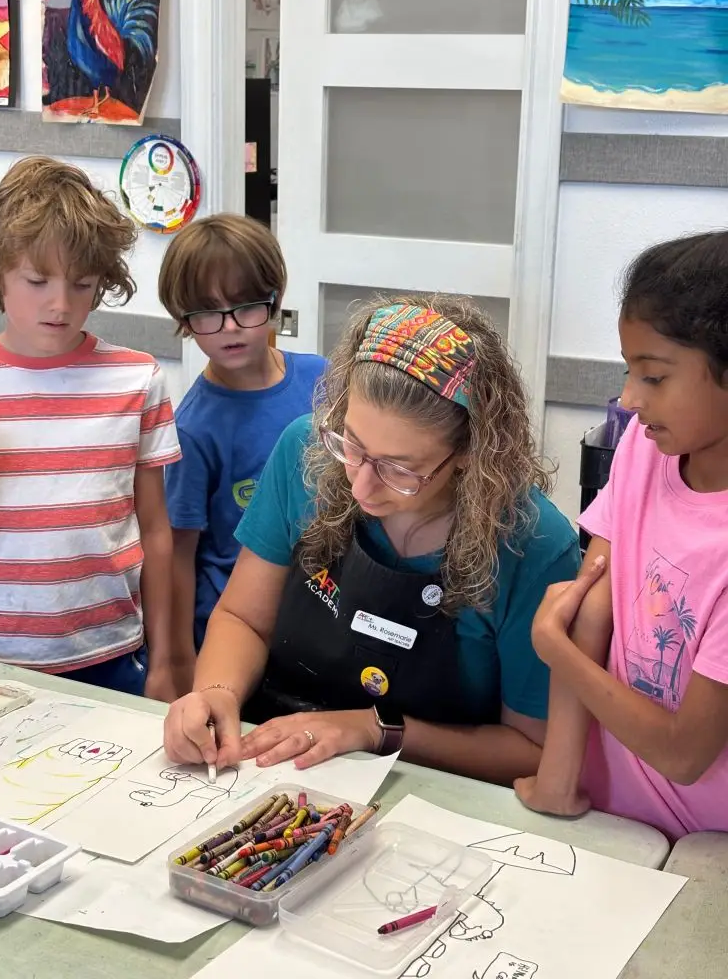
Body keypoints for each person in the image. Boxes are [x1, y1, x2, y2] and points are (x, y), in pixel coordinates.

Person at [163, 296, 580, 781]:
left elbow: (532, 750)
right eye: (352, 446)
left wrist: (373, 729)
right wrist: (216, 692)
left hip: (430, 787)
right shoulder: (303, 450)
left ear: (472, 450)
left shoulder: (533, 543)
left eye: (400, 469)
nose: (361, 487)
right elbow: (243, 618)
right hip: (272, 759)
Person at [515, 230, 728, 840]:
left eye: (654, 377)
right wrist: (557, 780)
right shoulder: (644, 445)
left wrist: (553, 649)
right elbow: (589, 608)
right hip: (605, 816)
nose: (630, 399)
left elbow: (685, 754)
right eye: (629, 371)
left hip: (700, 844)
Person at [0, 156, 185, 699]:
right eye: (37, 281)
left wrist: (165, 660)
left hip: (110, 653)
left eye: (82, 284)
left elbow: (156, 530)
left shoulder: (138, 379)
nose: (61, 305)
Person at [158, 214, 326, 653]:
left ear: (274, 300)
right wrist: (179, 659)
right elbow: (179, 556)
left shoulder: (324, 380)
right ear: (183, 319)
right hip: (235, 631)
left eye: (246, 306)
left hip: (319, 619)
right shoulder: (192, 429)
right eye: (207, 312)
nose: (230, 327)